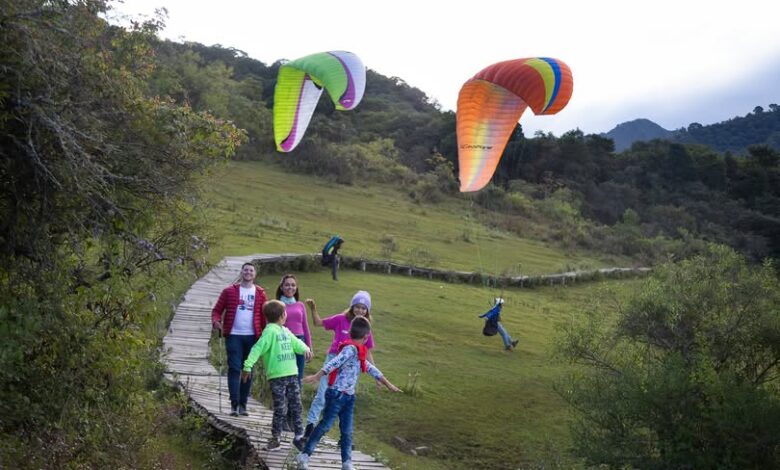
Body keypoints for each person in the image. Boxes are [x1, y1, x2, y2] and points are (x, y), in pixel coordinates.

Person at [295, 316, 401, 470]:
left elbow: (371, 368)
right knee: (325, 426)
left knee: (347, 431)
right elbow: (334, 362)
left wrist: (388, 384)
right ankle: (304, 455)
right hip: (336, 395)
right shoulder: (350, 349)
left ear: (351, 333)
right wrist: (317, 376)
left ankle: (347, 463)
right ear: (366, 337)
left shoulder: (360, 352)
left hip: (349, 397)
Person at [303, 290, 376, 439]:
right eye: (357, 306)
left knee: (345, 401)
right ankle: (309, 429)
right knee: (322, 396)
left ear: (367, 311)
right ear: (352, 306)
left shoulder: (365, 327)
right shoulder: (340, 319)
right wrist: (313, 309)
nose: (360, 310)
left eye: (364, 308)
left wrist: (375, 374)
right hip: (333, 361)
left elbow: (367, 351)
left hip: (350, 368)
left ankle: (344, 437)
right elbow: (318, 323)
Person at [242, 300, 313, 451]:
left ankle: (299, 436)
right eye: (285, 312)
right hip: (277, 377)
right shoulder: (270, 332)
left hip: (292, 374)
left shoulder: (285, 331)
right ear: (282, 315)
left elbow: (297, 343)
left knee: (296, 406)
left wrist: (306, 349)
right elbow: (257, 349)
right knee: (280, 408)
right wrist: (247, 366)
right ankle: (276, 438)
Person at [211, 262, 267, 417]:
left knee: (247, 370)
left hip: (252, 336)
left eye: (251, 270)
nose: (248, 272)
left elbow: (264, 315)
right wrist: (216, 321)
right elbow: (217, 310)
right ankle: (234, 404)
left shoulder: (260, 293)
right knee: (234, 368)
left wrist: (266, 333)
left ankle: (243, 404)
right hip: (233, 335)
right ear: (241, 272)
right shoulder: (229, 291)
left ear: (255, 274)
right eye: (246, 270)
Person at [276, 274, 313, 384]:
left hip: (300, 342)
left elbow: (305, 327)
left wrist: (309, 347)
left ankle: (297, 395)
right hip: (283, 342)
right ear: (281, 287)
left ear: (296, 288)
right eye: (287, 285)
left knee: (298, 375)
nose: (290, 287)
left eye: (293, 285)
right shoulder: (277, 305)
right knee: (284, 375)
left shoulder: (300, 305)